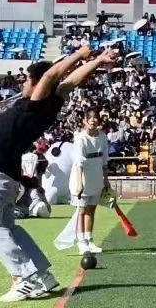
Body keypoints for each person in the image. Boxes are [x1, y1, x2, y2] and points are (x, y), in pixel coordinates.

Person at [0, 46, 115, 302]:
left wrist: (79, 54)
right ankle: (42, 275)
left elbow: (52, 76)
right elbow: (70, 81)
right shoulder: (49, 104)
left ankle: (23, 278)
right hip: (5, 175)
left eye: (27, 79)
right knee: (7, 227)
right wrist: (98, 61)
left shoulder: (35, 105)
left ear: (38, 83)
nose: (22, 83)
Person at [70, 108, 111, 255]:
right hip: (82, 177)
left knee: (91, 210)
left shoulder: (102, 136)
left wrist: (106, 180)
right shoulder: (80, 138)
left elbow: (104, 160)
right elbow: (78, 162)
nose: (93, 120)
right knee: (81, 211)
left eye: (95, 117)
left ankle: (89, 240)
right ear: (85, 121)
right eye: (90, 117)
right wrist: (79, 183)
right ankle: (81, 242)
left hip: (96, 177)